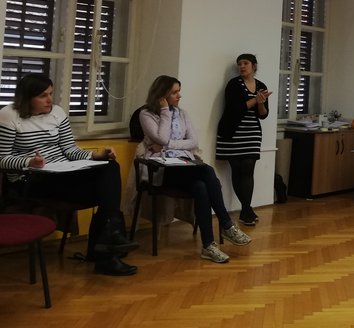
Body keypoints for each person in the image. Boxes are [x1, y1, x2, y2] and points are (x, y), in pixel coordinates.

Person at [0, 74, 138, 276]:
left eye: (51, 93)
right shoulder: (9, 115)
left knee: (109, 167)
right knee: (106, 193)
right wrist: (29, 162)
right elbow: (2, 158)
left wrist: (95, 155)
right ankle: (108, 251)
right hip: (31, 179)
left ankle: (110, 239)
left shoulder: (57, 113)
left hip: (63, 173)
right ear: (27, 98)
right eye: (43, 96)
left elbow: (70, 150)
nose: (50, 100)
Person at [137, 76, 252, 263]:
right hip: (161, 171)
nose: (179, 96)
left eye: (179, 91)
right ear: (162, 95)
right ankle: (226, 224)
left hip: (185, 167)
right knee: (207, 171)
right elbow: (161, 137)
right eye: (174, 92)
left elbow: (192, 142)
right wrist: (165, 111)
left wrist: (167, 145)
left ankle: (208, 246)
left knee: (201, 187)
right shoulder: (146, 114)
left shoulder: (182, 114)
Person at [216, 53, 271, 226]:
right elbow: (234, 109)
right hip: (232, 132)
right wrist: (255, 100)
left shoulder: (261, 86)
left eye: (245, 63)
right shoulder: (233, 84)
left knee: (248, 170)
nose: (242, 66)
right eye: (239, 64)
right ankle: (247, 210)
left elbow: (263, 114)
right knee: (237, 170)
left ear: (254, 65)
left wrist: (260, 102)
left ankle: (245, 210)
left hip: (252, 132)